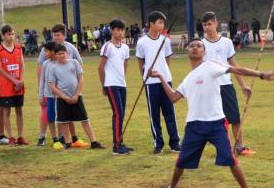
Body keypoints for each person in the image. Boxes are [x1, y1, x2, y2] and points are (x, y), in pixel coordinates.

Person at [153, 38, 274, 188]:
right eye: (191, 46)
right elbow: (174, 97)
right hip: (194, 126)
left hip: (216, 124)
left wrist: (261, 75)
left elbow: (236, 69)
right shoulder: (188, 79)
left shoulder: (211, 66)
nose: (195, 48)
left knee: (230, 159)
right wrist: (161, 77)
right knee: (181, 161)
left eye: (199, 46)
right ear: (187, 52)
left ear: (204, 52)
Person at [201, 12, 255, 156]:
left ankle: (240, 147)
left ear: (216, 24)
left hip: (226, 86)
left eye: (210, 24)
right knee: (216, 121)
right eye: (205, 25)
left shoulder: (226, 42)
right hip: (210, 88)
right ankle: (223, 148)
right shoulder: (201, 45)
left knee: (235, 118)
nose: (207, 27)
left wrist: (243, 85)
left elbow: (234, 66)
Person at [37, 23, 90, 147]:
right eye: (54, 35)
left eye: (58, 35)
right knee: (48, 113)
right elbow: (41, 67)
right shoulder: (48, 50)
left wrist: (74, 80)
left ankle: (71, 138)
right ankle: (43, 137)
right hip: (50, 91)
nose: (55, 37)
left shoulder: (70, 48)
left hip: (66, 92)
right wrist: (40, 90)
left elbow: (78, 64)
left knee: (67, 116)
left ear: (64, 35)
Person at [136, 11, 181, 154]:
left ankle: (175, 143)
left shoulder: (165, 40)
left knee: (170, 113)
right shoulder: (142, 42)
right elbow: (140, 61)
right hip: (151, 83)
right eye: (160, 22)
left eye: (163, 22)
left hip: (165, 80)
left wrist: (164, 72)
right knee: (154, 114)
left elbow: (167, 59)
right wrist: (145, 74)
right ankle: (158, 143)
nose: (162, 25)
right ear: (151, 23)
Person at [47, 44, 104, 150]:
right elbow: (52, 86)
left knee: (85, 119)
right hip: (62, 99)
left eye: (63, 53)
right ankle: (68, 143)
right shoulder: (53, 68)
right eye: (59, 54)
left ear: (67, 53)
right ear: (55, 55)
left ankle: (94, 141)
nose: (62, 56)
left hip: (77, 97)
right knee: (64, 121)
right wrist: (64, 97)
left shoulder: (74, 63)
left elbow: (80, 79)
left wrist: (76, 94)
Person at [98, 19, 132, 155]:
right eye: (118, 30)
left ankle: (120, 141)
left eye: (122, 30)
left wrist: (122, 77)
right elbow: (100, 67)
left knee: (121, 114)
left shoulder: (125, 48)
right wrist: (104, 85)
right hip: (111, 84)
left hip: (121, 84)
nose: (120, 33)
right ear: (112, 30)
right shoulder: (107, 46)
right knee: (118, 114)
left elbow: (124, 65)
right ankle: (116, 146)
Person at [0, 25, 28, 146]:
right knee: (6, 111)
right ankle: (10, 137)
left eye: (12, 34)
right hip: (7, 86)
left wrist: (21, 80)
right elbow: (0, 69)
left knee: (19, 110)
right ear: (3, 36)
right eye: (8, 34)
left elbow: (22, 65)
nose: (11, 36)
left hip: (19, 85)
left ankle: (20, 136)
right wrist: (14, 81)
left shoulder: (19, 48)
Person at [37, 42, 58, 147]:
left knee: (61, 117)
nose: (44, 53)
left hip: (60, 96)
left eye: (46, 51)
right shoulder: (45, 64)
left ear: (53, 51)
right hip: (47, 95)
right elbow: (42, 81)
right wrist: (41, 96)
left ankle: (62, 138)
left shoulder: (61, 62)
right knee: (48, 116)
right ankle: (42, 137)